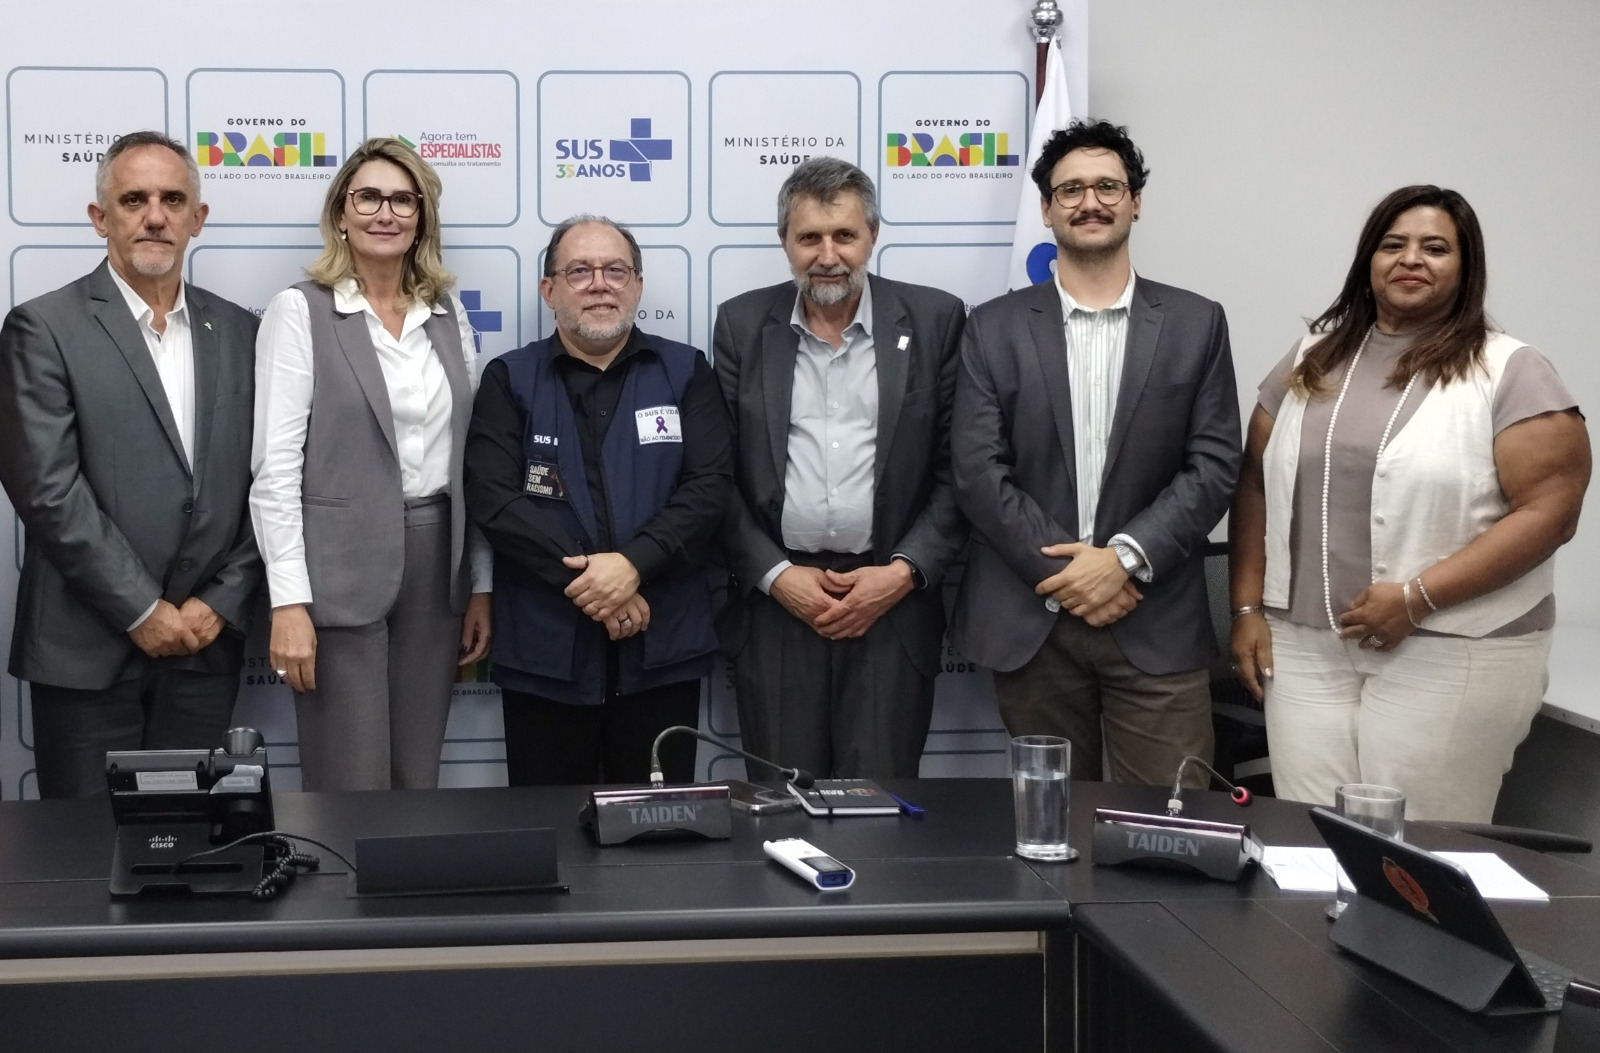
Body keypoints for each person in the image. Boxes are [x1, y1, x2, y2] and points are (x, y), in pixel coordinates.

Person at [1230, 185, 1590, 823]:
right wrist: (1247, 609)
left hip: (1449, 650)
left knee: (1418, 854)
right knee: (1312, 841)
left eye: (1435, 248)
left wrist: (1417, 598)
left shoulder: (1511, 370)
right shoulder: (1312, 357)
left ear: (1466, 266)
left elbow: (1550, 514)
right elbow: (1254, 480)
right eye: (1393, 244)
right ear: (1368, 260)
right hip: (1306, 649)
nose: (1411, 259)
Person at [951, 119, 1240, 787]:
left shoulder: (1197, 322)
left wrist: (1122, 561)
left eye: (1108, 186)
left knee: (1168, 825)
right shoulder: (992, 327)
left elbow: (1214, 463)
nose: (1090, 202)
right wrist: (1072, 576)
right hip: (1034, 620)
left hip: (1154, 613)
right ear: (1046, 208)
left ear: (1135, 201)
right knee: (1050, 827)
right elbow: (977, 471)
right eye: (1071, 189)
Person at [0, 131, 261, 799]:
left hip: (205, 648)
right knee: (85, 849)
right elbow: (47, 490)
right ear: (100, 218)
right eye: (134, 199)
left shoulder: (243, 332)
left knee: (195, 844)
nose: (155, 216)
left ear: (198, 218)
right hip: (86, 651)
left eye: (173, 199)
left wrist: (221, 600)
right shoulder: (43, 327)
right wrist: (142, 609)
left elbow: (270, 482)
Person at [714, 157, 967, 780]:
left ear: (872, 236)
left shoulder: (935, 320)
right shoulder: (742, 325)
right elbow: (715, 476)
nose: (828, 255)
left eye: (845, 235)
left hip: (891, 606)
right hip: (777, 608)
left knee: (878, 810)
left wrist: (903, 573)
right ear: (785, 242)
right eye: (809, 237)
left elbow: (960, 468)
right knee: (781, 809)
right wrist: (776, 575)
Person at [251, 137, 492, 792]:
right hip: (337, 571)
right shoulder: (301, 310)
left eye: (403, 200)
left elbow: (468, 461)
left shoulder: (446, 314)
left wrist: (480, 583)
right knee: (348, 782)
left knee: (418, 776)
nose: (386, 213)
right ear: (341, 214)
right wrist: (288, 601)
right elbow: (276, 468)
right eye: (368, 198)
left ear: (421, 217)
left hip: (436, 568)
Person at [465, 216, 731, 785]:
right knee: (550, 822)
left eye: (616, 271)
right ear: (549, 289)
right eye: (579, 271)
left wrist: (633, 566)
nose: (600, 285)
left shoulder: (685, 370)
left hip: (662, 644)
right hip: (546, 652)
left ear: (637, 285)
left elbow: (709, 487)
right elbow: (494, 499)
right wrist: (598, 585)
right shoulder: (509, 378)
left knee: (659, 826)